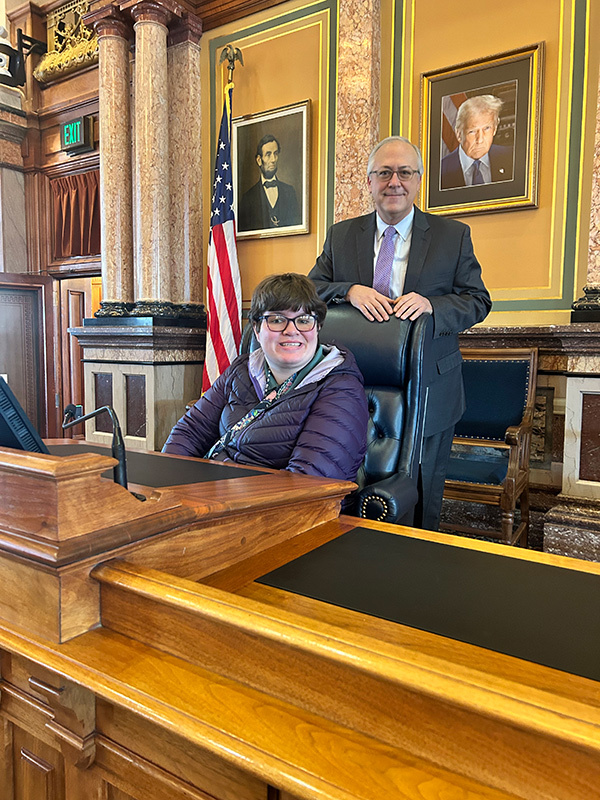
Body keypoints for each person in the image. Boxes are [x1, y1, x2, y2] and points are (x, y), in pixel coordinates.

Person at [308, 135, 492, 530]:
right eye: (384, 173)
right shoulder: (342, 235)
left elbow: (477, 300)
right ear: (369, 181)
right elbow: (312, 289)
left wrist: (432, 305)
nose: (395, 182)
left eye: (405, 172)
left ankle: (419, 561)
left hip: (430, 390)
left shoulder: (452, 236)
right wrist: (349, 290)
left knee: (422, 498)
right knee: (346, 489)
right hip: (355, 388)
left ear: (418, 180)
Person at [163, 272, 368, 482]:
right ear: (256, 329)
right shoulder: (242, 369)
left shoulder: (341, 389)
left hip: (279, 500)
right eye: (277, 320)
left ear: (318, 327)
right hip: (214, 488)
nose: (291, 330)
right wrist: (166, 481)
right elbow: (188, 432)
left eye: (304, 320)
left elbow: (308, 483)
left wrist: (223, 490)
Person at [441, 95, 514, 189]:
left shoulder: (511, 157)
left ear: (495, 129)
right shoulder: (441, 171)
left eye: (486, 128)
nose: (480, 140)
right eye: (472, 131)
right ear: (459, 134)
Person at [237, 134, 301, 232]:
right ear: (259, 160)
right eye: (268, 154)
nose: (273, 159)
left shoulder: (289, 192)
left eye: (275, 154)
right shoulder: (248, 198)